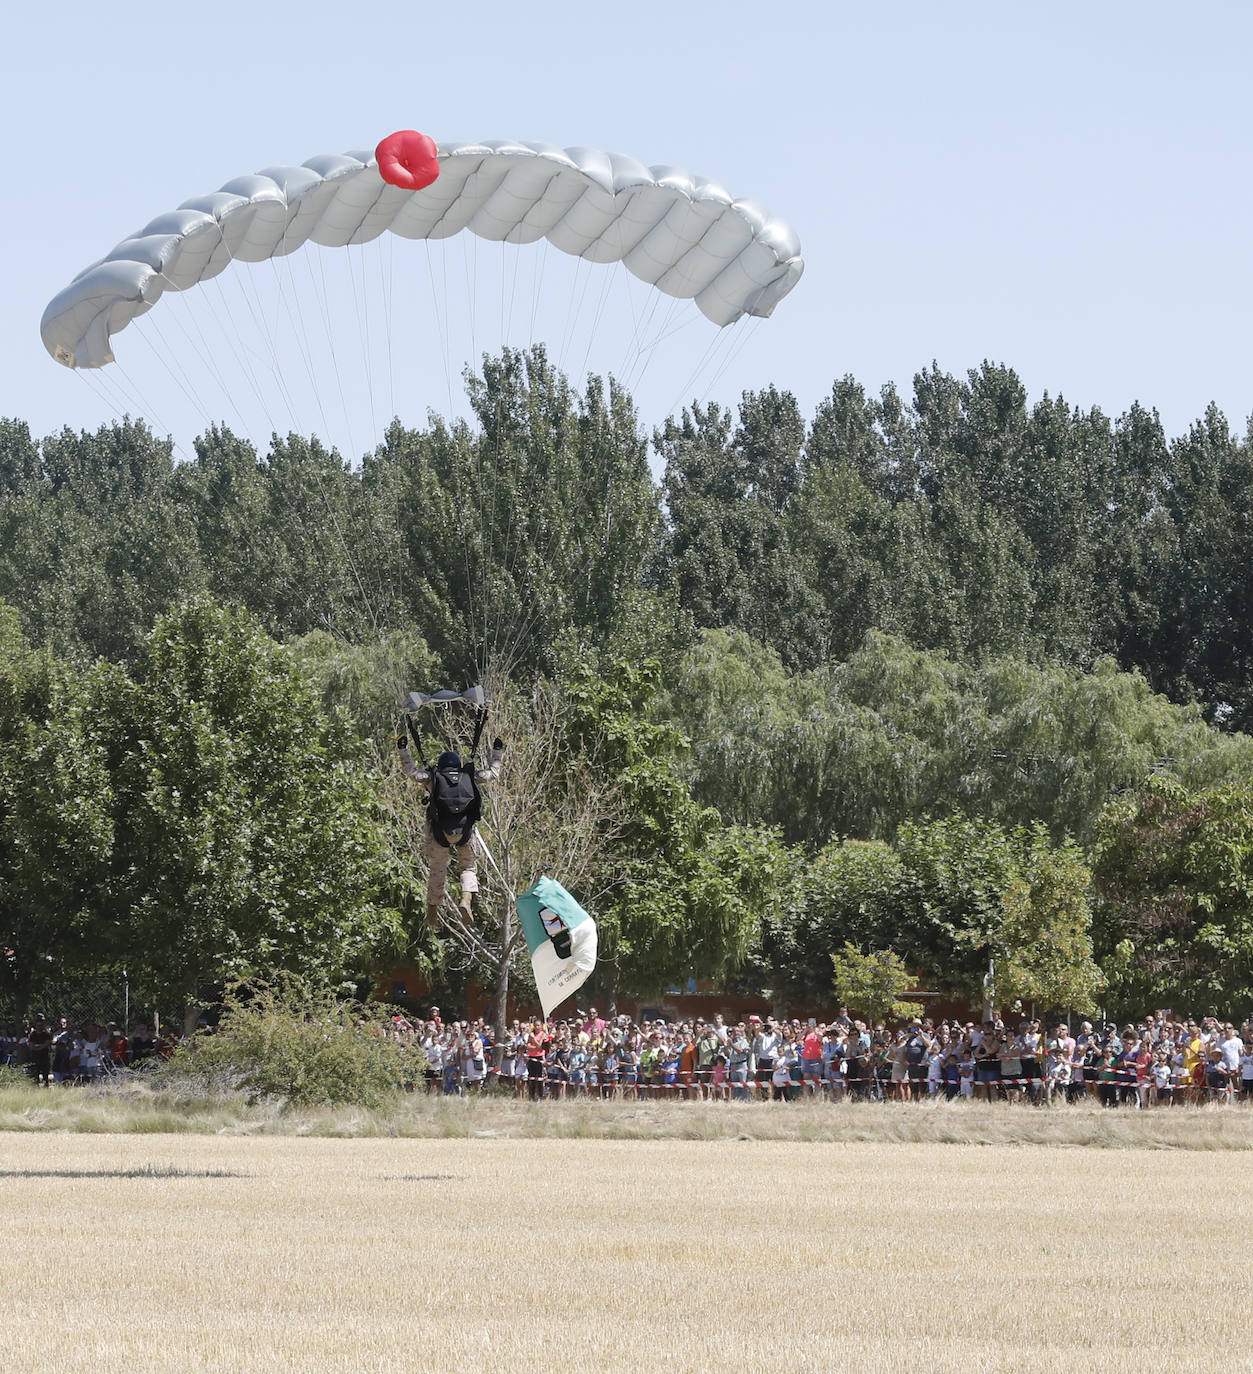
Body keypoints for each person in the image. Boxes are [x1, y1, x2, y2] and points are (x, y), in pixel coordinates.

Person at [397, 723, 504, 925]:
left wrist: (403, 749)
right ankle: (466, 899)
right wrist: (497, 751)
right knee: (468, 868)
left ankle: (432, 912)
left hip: (439, 832)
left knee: (437, 869)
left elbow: (412, 772)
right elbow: (493, 773)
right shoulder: (470, 775)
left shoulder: (433, 777)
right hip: (465, 831)